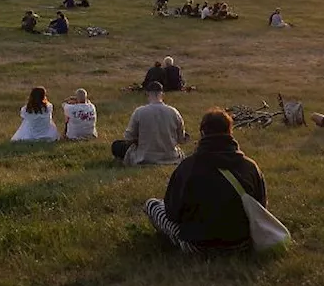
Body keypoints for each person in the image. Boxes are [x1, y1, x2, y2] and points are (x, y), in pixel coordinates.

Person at [144, 108, 267, 253]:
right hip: (241, 243)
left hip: (197, 245)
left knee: (152, 205)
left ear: (202, 133)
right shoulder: (250, 167)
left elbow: (172, 213)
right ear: (230, 132)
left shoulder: (187, 167)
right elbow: (261, 207)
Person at [112, 81, 186, 165]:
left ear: (147, 94)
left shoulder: (139, 112)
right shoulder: (174, 112)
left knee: (116, 145)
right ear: (162, 94)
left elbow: (128, 137)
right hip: (170, 156)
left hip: (144, 157)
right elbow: (181, 140)